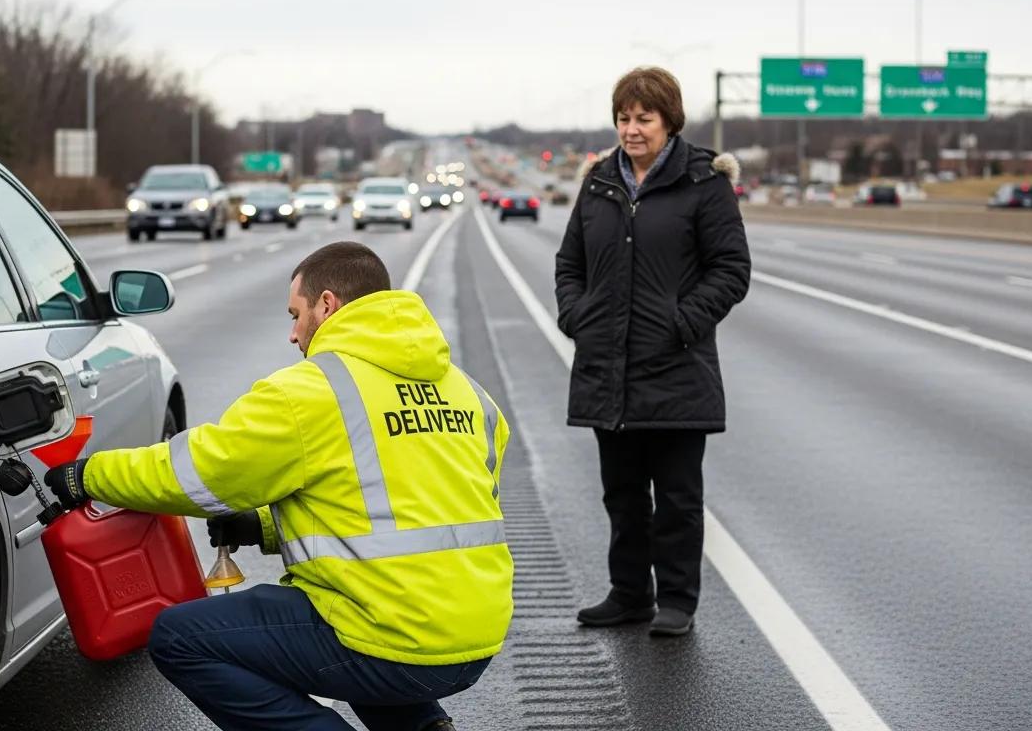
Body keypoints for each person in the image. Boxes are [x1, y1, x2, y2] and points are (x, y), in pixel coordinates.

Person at [44, 241, 513, 731]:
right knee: (359, 632)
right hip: (474, 635)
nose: (293, 334)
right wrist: (264, 525)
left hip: (393, 636)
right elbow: (415, 500)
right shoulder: (468, 392)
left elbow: (200, 474)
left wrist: (89, 476)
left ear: (326, 305)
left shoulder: (311, 390)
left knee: (181, 638)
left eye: (296, 314)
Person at [555, 66, 750, 637]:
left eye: (644, 118)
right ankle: (629, 594)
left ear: (670, 121)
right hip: (607, 368)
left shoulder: (704, 182)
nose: (632, 129)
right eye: (623, 118)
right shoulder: (598, 183)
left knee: (678, 499)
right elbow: (571, 264)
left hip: (676, 367)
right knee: (622, 495)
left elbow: (731, 269)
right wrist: (577, 316)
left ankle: (678, 601)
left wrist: (682, 322)